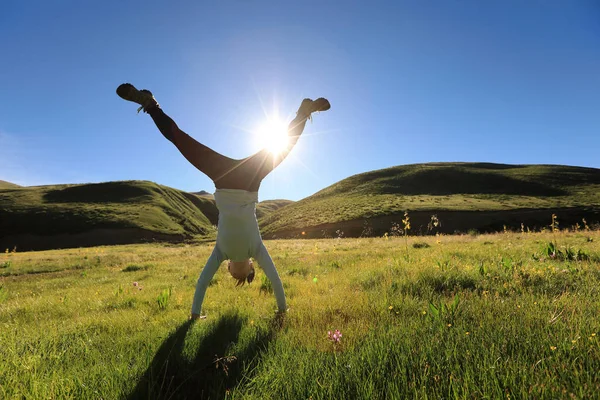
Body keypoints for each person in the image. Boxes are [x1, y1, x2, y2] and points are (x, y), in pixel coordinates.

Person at [116, 83, 330, 319]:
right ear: (234, 268)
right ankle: (151, 106)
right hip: (227, 177)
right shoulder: (223, 253)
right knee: (182, 141)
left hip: (246, 179)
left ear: (251, 267)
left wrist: (282, 310)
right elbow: (202, 284)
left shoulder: (253, 251)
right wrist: (195, 313)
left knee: (282, 147)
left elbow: (276, 281)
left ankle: (302, 113)